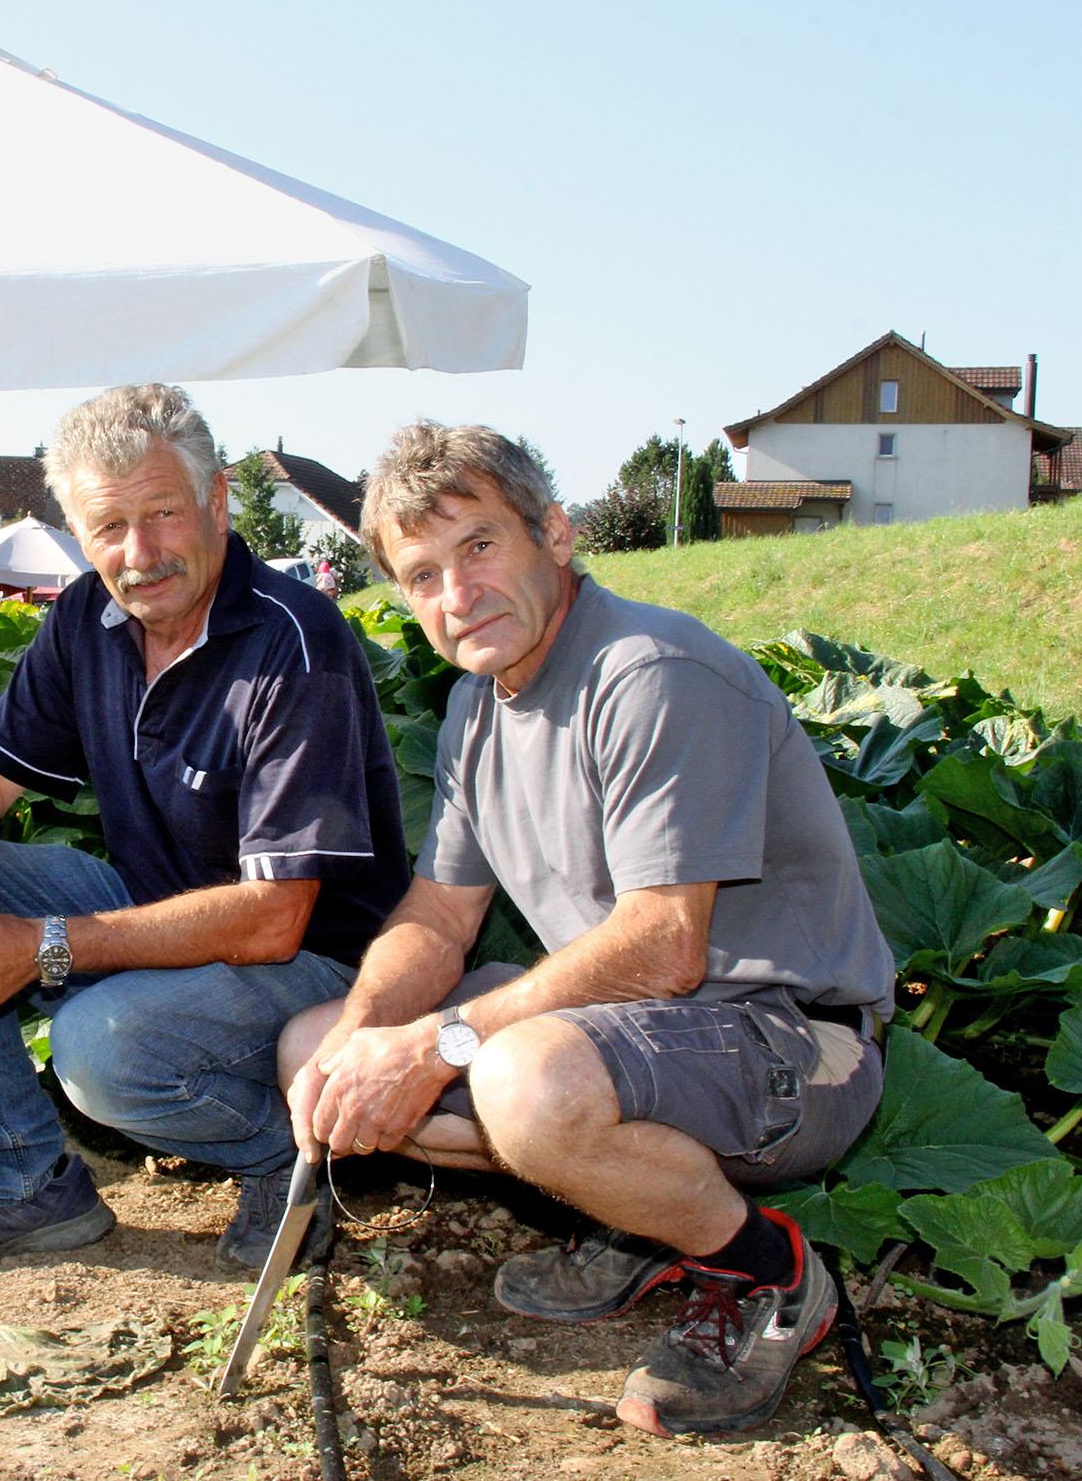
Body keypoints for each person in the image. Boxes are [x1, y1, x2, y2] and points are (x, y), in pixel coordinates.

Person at [280, 420, 892, 1437]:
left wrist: (436, 1043)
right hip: (644, 1032)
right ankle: (644, 1214)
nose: (455, 594)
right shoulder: (480, 709)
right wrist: (363, 1040)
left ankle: (768, 1273)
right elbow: (437, 915)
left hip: (787, 1036)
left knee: (524, 1084)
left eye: (478, 547)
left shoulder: (649, 672)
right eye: (421, 575)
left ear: (553, 535)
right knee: (318, 1046)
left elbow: (664, 945)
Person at [0, 383, 410, 1288]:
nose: (139, 553)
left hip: (316, 959)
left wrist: (39, 947)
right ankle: (19, 1181)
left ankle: (295, 1156)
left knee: (102, 1047)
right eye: (108, 526)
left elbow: (276, 918)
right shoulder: (86, 619)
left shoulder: (294, 640)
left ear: (219, 500)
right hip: (157, 916)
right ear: (78, 530)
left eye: (162, 513)